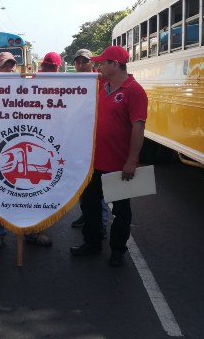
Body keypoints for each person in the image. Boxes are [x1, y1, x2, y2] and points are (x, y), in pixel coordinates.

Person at [70, 45, 147, 267]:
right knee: (90, 206)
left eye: (102, 62)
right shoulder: (102, 85)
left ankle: (118, 250)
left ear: (115, 65)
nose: (97, 66)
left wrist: (132, 160)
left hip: (119, 163)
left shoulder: (134, 90)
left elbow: (138, 128)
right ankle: (92, 243)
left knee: (121, 211)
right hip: (94, 162)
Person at [0, 52, 53, 249]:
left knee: (31, 192)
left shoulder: (26, 85)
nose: (10, 69)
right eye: (5, 65)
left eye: (12, 65)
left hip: (24, 143)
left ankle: (32, 230)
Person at [69, 48, 109, 235]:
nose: (81, 65)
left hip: (99, 143)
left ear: (92, 63)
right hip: (79, 141)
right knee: (82, 183)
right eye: (77, 62)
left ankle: (100, 222)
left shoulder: (102, 80)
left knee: (98, 186)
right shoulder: (72, 81)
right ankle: (86, 215)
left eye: (85, 61)